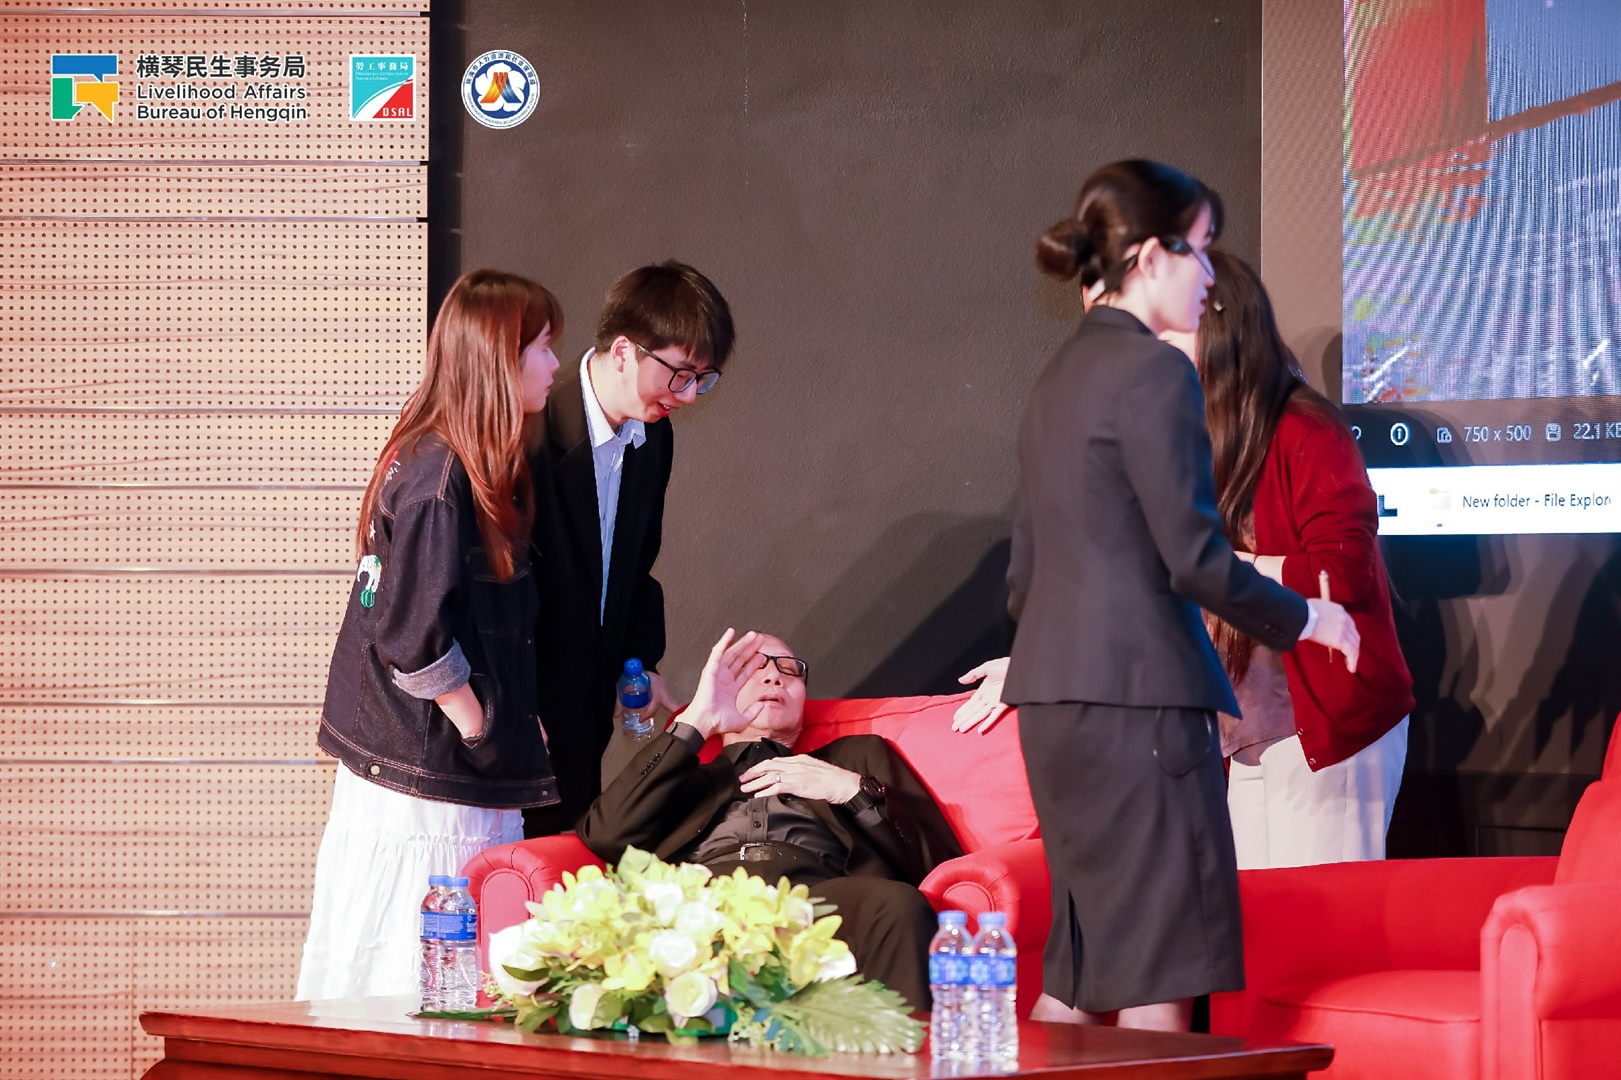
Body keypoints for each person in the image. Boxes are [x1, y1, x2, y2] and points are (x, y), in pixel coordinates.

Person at [998, 160, 1362, 1032]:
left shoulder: (1058, 376)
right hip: (1142, 707)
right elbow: (1195, 559)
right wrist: (1310, 616)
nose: (1208, 274)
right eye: (1199, 250)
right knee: (1161, 965)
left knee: (1084, 967)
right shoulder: (1155, 373)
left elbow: (1022, 575)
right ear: (1150, 256)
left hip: (1053, 709)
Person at [297, 271, 565, 1000]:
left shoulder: (446, 460)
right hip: (426, 780)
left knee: (425, 969)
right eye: (541, 347)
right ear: (499, 360)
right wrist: (482, 728)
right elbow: (412, 635)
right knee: (414, 971)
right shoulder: (440, 477)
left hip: (432, 773)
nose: (553, 364)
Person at [1165, 250, 1413, 869]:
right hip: (1250, 730)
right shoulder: (1202, 437)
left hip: (1325, 727)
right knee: (1266, 919)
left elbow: (1343, 572)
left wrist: (1234, 570)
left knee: (1329, 916)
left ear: (1218, 329)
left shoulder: (1305, 431)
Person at [578, 630, 965, 1010]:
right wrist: (698, 720)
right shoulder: (682, 778)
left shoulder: (854, 758)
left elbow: (939, 862)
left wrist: (850, 789)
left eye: (789, 669)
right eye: (753, 667)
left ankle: (906, 1052)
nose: (773, 677)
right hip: (704, 906)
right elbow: (604, 834)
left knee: (897, 905)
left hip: (822, 902)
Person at [524, 261, 736, 838]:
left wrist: (636, 662)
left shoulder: (653, 436)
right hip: (521, 716)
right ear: (623, 351)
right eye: (680, 375)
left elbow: (636, 563)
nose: (687, 396)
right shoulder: (531, 426)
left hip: (582, 715)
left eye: (703, 380)